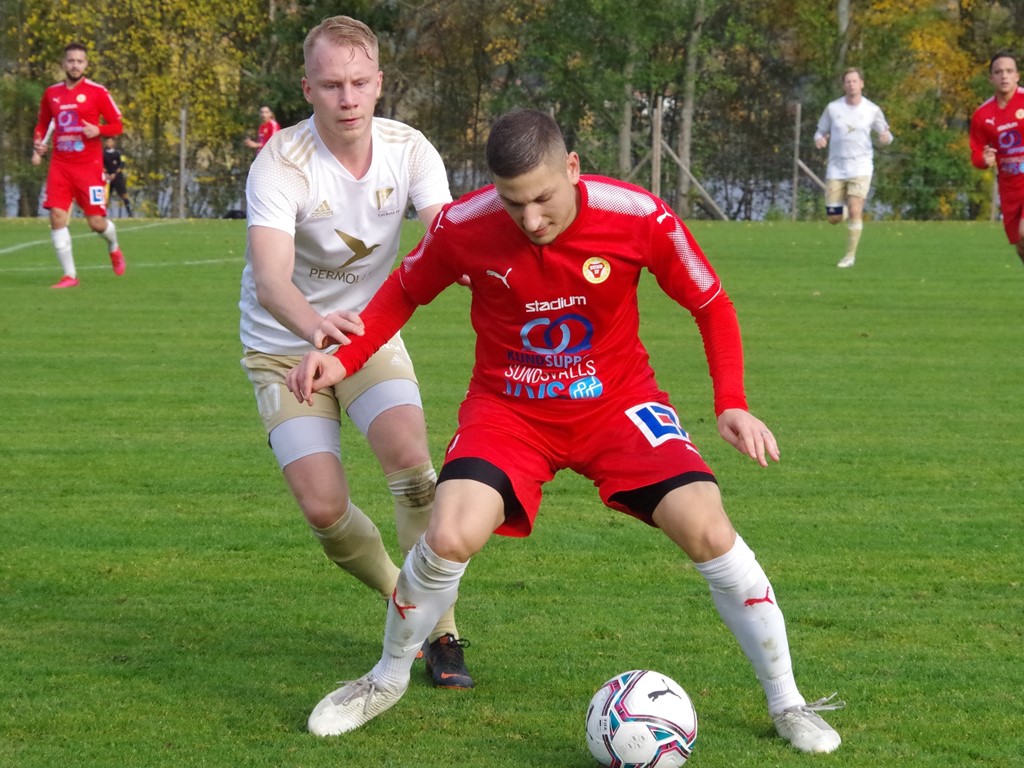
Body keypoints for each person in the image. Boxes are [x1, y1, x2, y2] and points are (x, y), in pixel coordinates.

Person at [286, 108, 845, 753]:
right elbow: (401, 294)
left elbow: (709, 301)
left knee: (708, 526)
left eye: (544, 198)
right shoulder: (463, 226)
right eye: (513, 201)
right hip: (509, 412)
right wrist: (344, 359)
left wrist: (733, 401)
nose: (530, 219)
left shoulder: (638, 215)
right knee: (448, 531)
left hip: (618, 406)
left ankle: (788, 701)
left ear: (573, 169)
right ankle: (385, 678)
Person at [238, 16, 473, 691]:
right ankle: (407, 599)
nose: (347, 98)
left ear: (380, 85)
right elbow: (273, 277)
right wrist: (316, 330)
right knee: (323, 510)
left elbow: (444, 235)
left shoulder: (409, 149)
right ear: (307, 88)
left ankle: (443, 629)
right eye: (332, 84)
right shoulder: (280, 161)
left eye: (360, 83)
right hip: (283, 349)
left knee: (415, 468)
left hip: (370, 338)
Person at [32, 42, 126, 288]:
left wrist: (99, 129)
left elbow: (117, 125)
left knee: (96, 223)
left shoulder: (97, 92)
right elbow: (42, 124)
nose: (74, 65)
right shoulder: (51, 93)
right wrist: (38, 143)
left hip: (89, 167)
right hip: (60, 166)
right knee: (56, 217)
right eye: (70, 61)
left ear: (86, 65)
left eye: (79, 61)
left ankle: (114, 247)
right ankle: (70, 276)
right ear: (63, 64)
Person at [813, 67, 893, 268]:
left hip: (861, 165)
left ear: (862, 84)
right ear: (843, 85)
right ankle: (845, 211)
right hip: (836, 167)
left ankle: (849, 256)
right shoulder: (833, 108)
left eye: (854, 81)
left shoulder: (872, 110)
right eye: (847, 81)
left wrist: (885, 138)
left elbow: (886, 135)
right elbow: (820, 131)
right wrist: (819, 139)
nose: (851, 84)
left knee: (856, 209)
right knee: (834, 217)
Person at [970, 51, 1024, 266]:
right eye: (998, 72)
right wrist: (984, 160)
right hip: (1010, 187)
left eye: (1009, 71)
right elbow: (976, 155)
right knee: (1020, 243)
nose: (1004, 76)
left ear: (1017, 76)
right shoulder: (982, 115)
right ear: (991, 78)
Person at [103, 137, 133, 217]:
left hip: (117, 177)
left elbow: (122, 163)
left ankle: (130, 213)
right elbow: (100, 164)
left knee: (124, 194)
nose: (108, 143)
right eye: (107, 141)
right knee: (105, 196)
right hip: (107, 178)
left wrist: (115, 173)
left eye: (110, 141)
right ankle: (103, 214)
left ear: (114, 143)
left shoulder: (119, 153)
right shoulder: (102, 153)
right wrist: (106, 173)